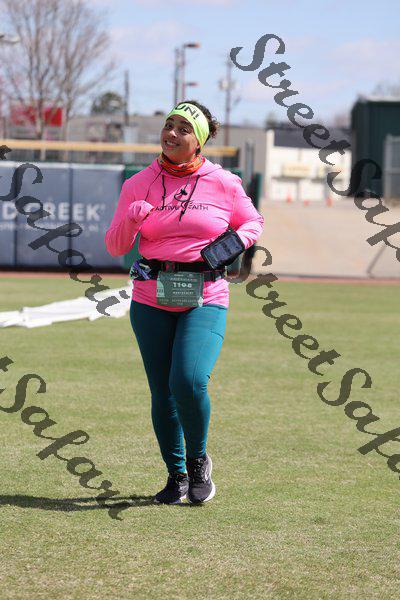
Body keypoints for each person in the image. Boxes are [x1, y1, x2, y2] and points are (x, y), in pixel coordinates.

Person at [104, 100, 264, 505]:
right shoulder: (137, 183)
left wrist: (233, 243)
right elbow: (115, 246)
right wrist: (132, 220)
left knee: (188, 381)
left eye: (183, 128)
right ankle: (176, 476)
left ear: (199, 140)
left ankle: (197, 462)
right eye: (169, 125)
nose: (172, 134)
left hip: (205, 296)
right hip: (150, 297)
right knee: (162, 392)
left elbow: (253, 222)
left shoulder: (224, 182)